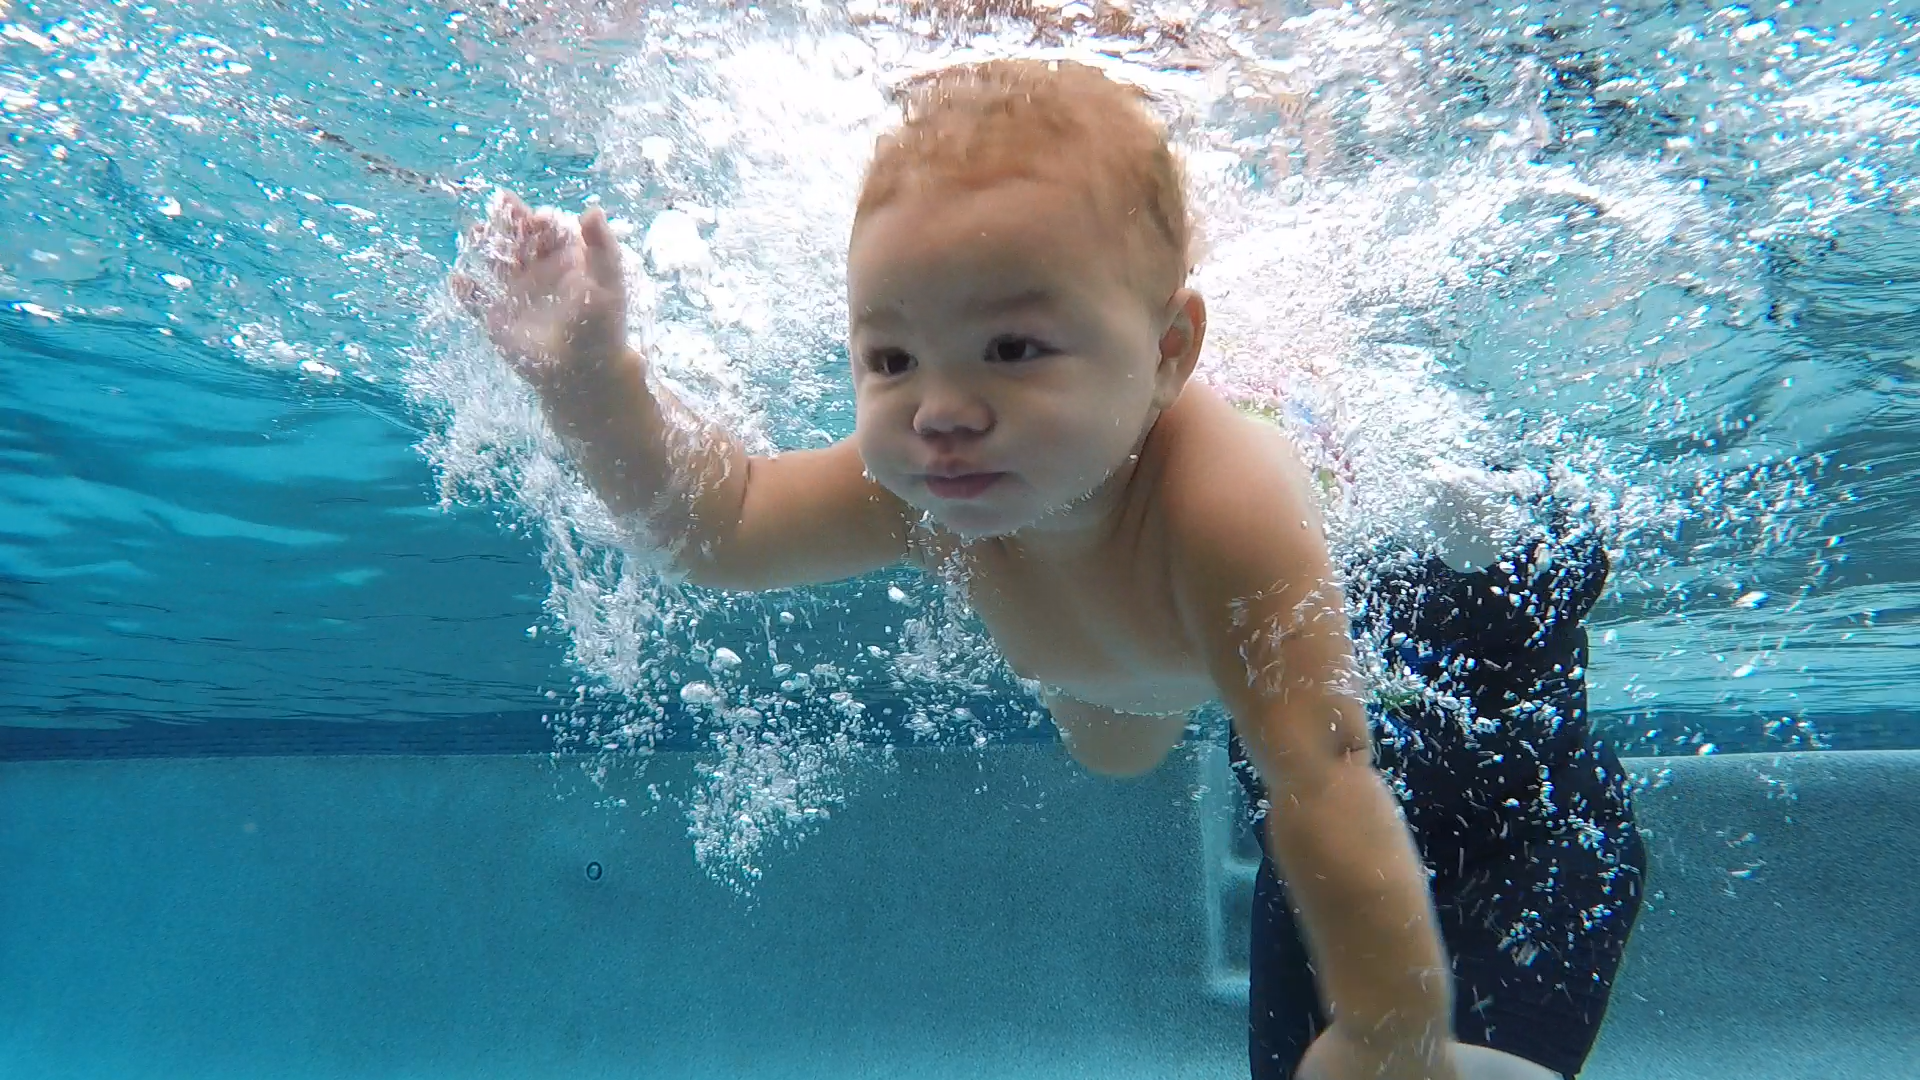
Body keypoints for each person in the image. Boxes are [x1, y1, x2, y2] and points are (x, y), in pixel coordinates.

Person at [450, 58, 1642, 1080]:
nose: (942, 410)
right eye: (892, 356)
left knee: (1397, 626)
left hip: (1303, 541)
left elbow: (1320, 771)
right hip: (1114, 667)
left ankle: (1459, 514)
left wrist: (1389, 1030)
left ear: (1170, 350)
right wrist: (589, 381)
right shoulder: (930, 487)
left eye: (1014, 348)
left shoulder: (1224, 502)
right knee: (1115, 740)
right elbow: (724, 524)